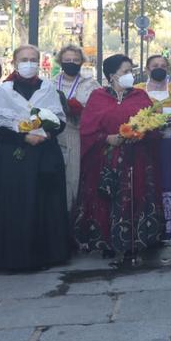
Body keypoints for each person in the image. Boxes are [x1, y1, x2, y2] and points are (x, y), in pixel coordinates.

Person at [0, 45, 71, 272]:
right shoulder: (4, 90)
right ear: (14, 62)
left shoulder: (48, 87)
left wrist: (46, 132)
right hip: (13, 156)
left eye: (33, 59)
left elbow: (59, 120)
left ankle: (49, 253)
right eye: (24, 59)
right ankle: (15, 256)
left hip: (44, 153)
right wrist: (23, 137)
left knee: (45, 202)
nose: (29, 63)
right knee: (15, 203)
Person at [75, 54, 164, 260]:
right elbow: (87, 128)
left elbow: (152, 123)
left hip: (137, 157)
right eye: (125, 72)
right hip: (106, 158)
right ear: (112, 75)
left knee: (136, 196)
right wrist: (107, 138)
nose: (129, 76)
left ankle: (137, 240)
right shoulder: (98, 96)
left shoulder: (140, 96)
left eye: (130, 72)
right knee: (106, 199)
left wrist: (142, 132)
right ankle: (106, 242)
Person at [137, 54, 171, 240]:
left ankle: (169, 226)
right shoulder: (138, 90)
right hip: (144, 143)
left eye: (163, 65)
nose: (159, 68)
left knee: (168, 180)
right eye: (155, 65)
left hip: (168, 143)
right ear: (147, 69)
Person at [54, 45, 101, 214]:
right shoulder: (51, 83)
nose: (71, 63)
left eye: (75, 60)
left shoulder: (91, 84)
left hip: (81, 136)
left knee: (77, 180)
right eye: (67, 60)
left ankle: (78, 220)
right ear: (60, 62)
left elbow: (98, 111)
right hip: (56, 137)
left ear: (82, 62)